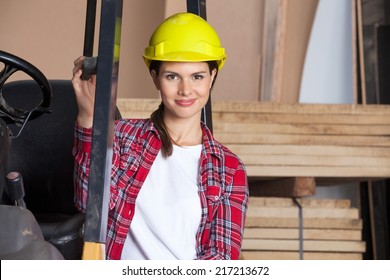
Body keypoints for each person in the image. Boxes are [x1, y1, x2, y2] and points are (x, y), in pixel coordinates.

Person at [71, 12, 249, 260]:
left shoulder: (229, 168)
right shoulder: (123, 138)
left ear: (212, 77)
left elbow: (221, 256)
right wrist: (90, 119)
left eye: (197, 76)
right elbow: (87, 203)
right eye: (172, 76)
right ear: (155, 78)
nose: (185, 89)